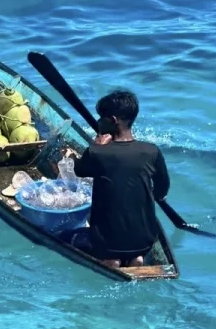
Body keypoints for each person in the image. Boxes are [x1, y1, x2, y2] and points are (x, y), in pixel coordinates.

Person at [68, 90, 169, 268]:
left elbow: (79, 170)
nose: (99, 122)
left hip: (107, 243)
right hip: (145, 240)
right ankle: (136, 256)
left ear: (113, 121)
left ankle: (111, 259)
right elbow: (162, 189)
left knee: (71, 236)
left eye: (101, 118)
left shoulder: (97, 152)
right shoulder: (152, 151)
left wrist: (96, 146)